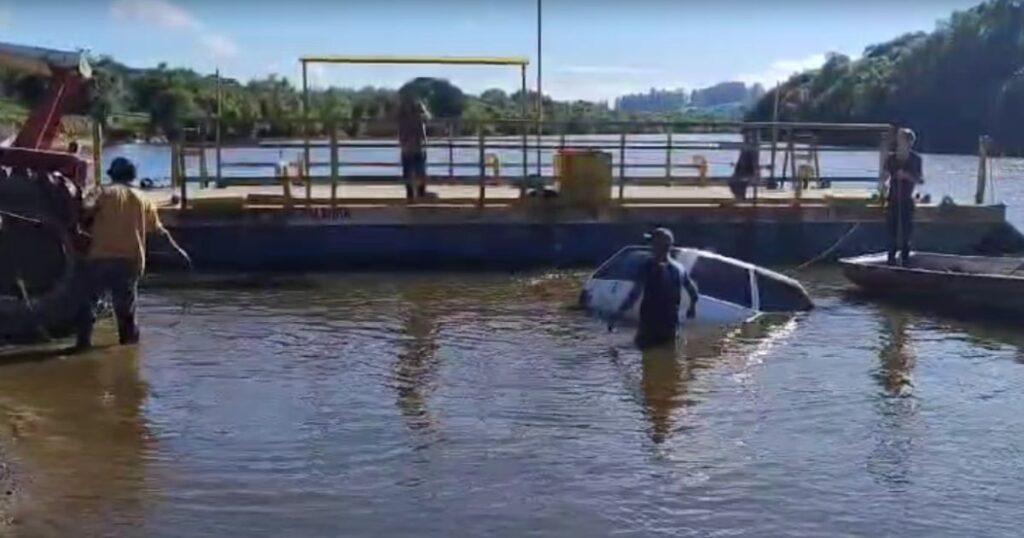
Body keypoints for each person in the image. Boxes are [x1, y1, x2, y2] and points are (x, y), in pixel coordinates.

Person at [74, 157, 190, 351]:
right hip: (130, 262)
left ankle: (82, 347)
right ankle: (129, 352)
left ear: (113, 175)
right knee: (126, 311)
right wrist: (179, 251)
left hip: (100, 258)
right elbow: (160, 232)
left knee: (89, 304)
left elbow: (84, 210)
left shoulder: (103, 192)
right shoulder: (144, 199)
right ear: (132, 176)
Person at [608, 228, 699, 349]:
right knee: (669, 359)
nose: (650, 246)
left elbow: (634, 295)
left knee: (647, 359)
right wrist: (691, 308)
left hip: (649, 326)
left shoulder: (647, 266)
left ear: (659, 246)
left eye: (652, 243)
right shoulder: (679, 269)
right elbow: (693, 292)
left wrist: (617, 314)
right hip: (670, 325)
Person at [884, 128, 924, 266]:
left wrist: (907, 176)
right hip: (893, 199)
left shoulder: (916, 159)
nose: (899, 142)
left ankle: (905, 261)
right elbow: (884, 177)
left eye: (902, 139)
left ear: (909, 142)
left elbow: (920, 180)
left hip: (906, 200)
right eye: (898, 139)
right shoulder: (891, 158)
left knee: (906, 233)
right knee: (891, 234)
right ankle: (890, 260)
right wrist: (882, 187)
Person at [397, 96, 431, 200]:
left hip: (409, 148)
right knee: (419, 171)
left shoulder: (403, 118)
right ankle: (418, 193)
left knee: (410, 171)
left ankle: (411, 193)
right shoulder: (419, 118)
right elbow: (428, 117)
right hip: (416, 147)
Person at [729, 129, 760, 200]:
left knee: (737, 181)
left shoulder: (752, 146)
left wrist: (756, 173)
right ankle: (740, 196)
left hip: (748, 171)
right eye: (744, 135)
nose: (744, 136)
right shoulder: (745, 145)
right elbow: (741, 160)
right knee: (733, 181)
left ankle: (740, 197)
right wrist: (735, 165)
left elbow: (754, 162)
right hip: (742, 170)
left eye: (746, 135)